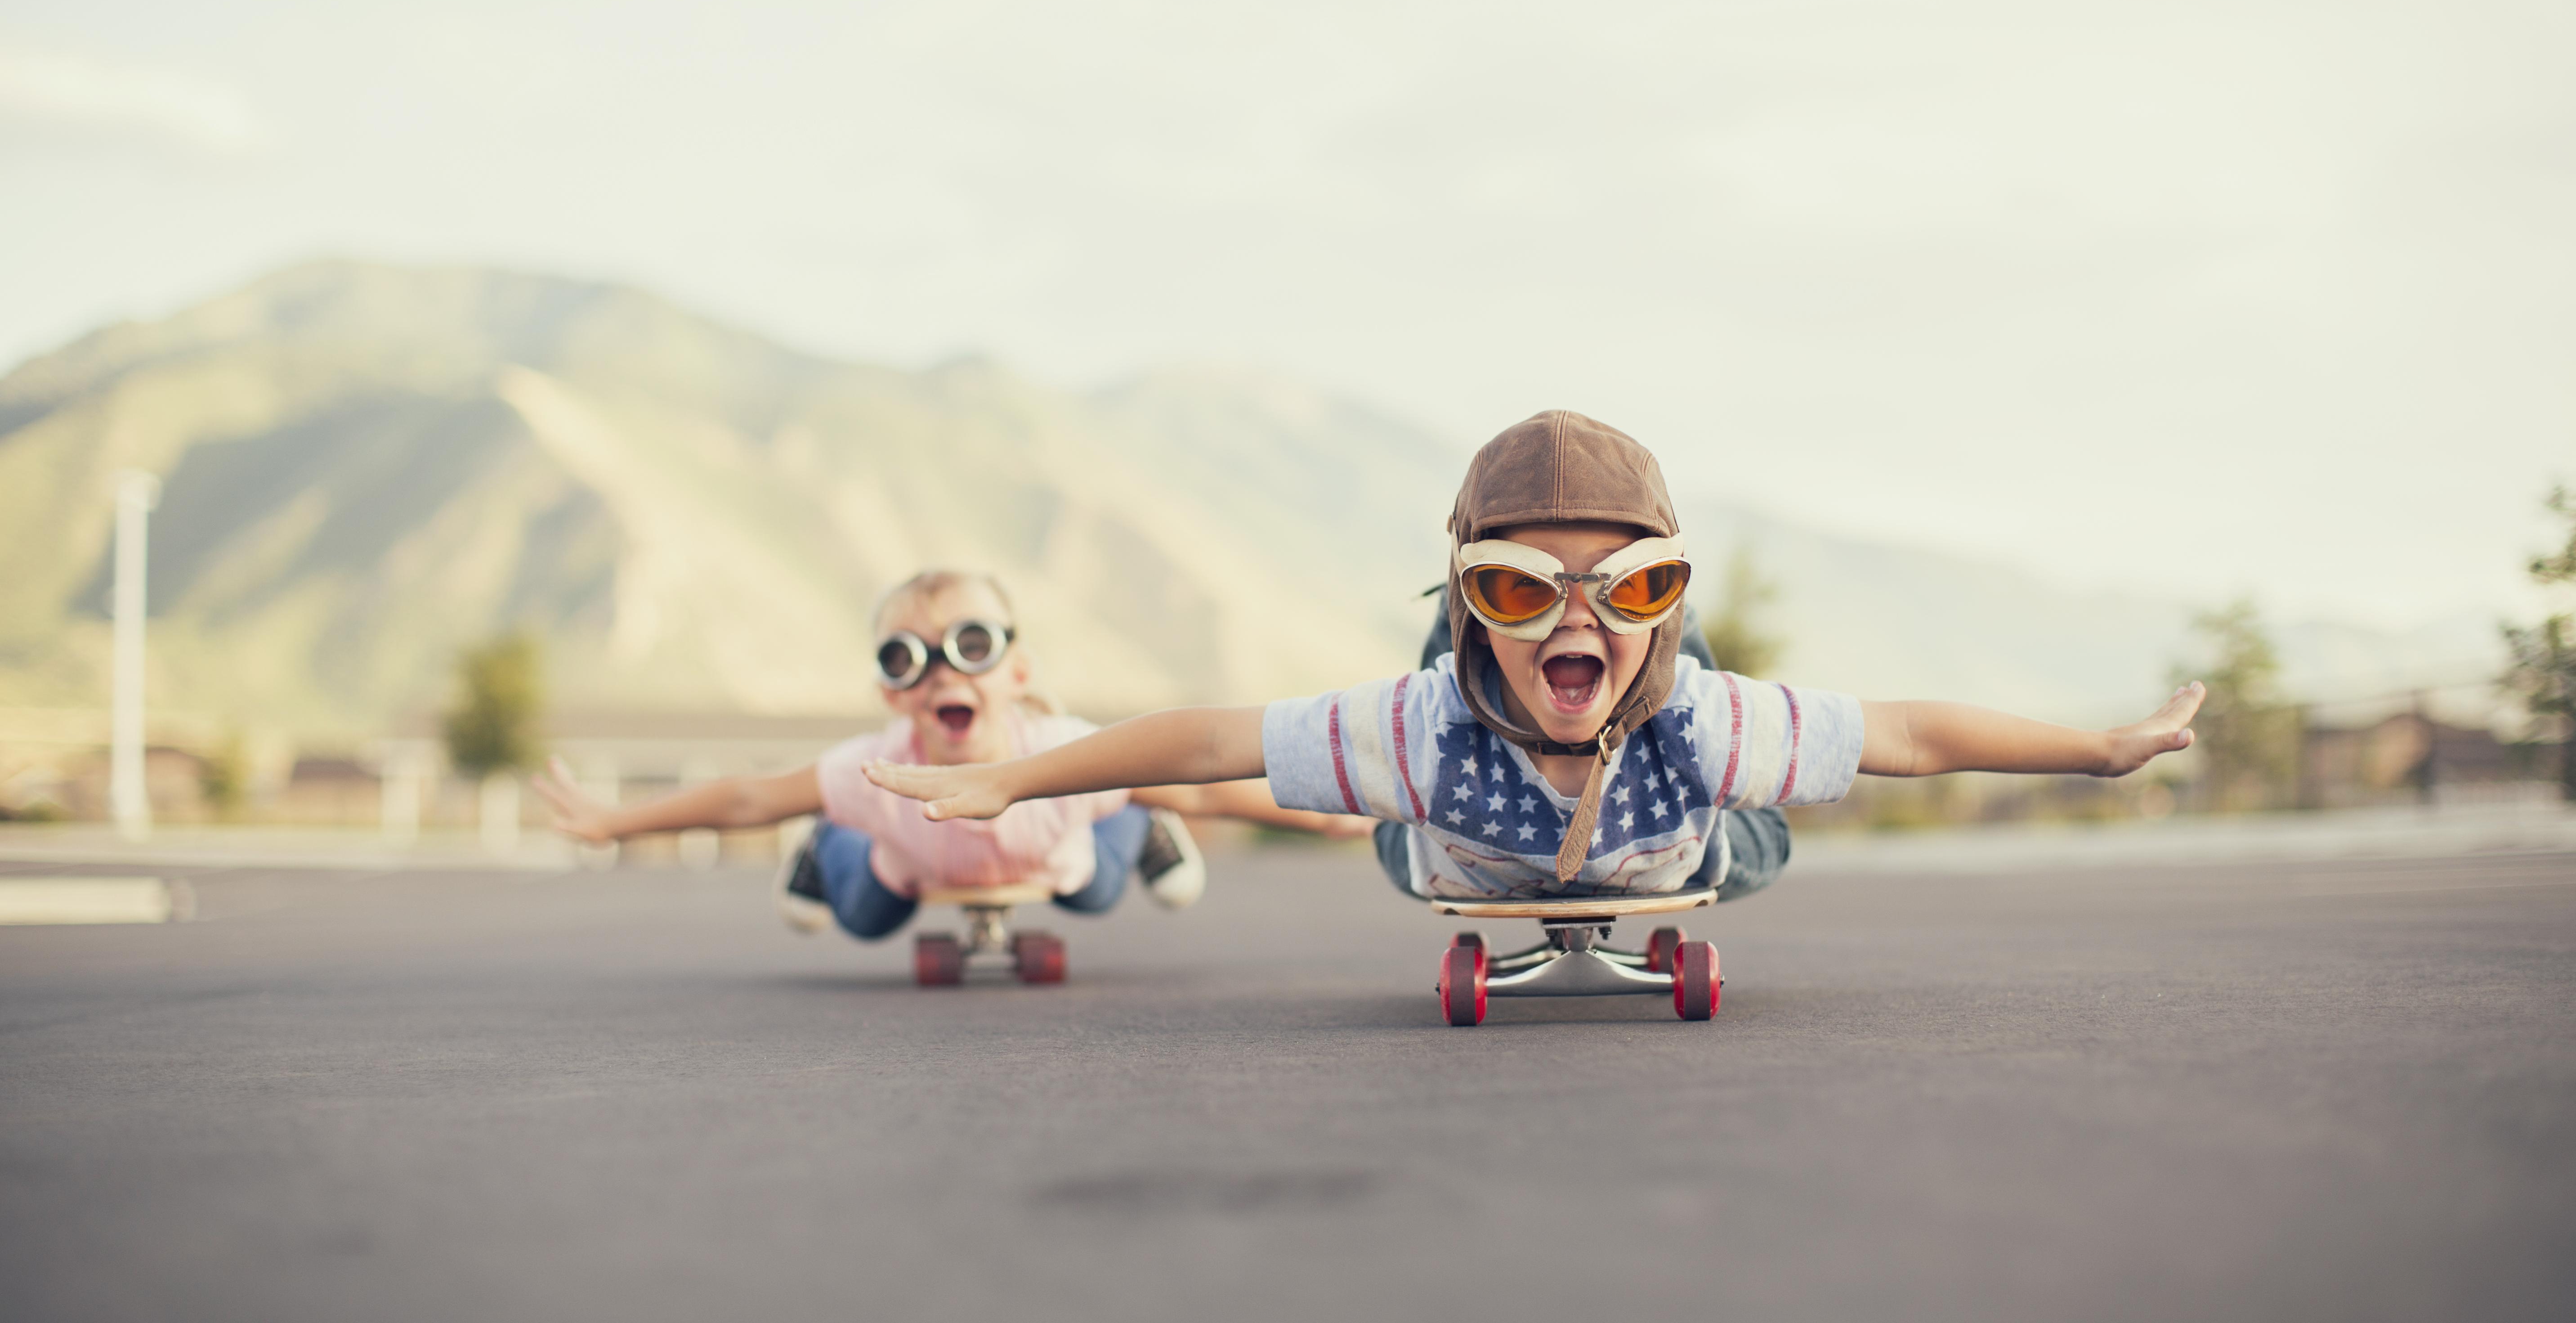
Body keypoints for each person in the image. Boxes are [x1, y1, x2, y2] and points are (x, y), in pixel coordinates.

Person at [859, 412, 2205, 906]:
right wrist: (1012, 784)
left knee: (1742, 814)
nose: (1574, 616)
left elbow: (1909, 735)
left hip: (1675, 835)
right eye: (1516, 583)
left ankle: (1625, 630)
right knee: (1410, 781)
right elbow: (1207, 739)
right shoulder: (1411, 732)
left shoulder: (1712, 732)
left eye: (1630, 584)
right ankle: (1508, 625)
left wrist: (2097, 749)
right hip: (1453, 834)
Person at [532, 568, 1364, 941]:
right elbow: (750, 801)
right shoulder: (876, 771)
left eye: (971, 645)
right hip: (910, 868)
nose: (939, 674)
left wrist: (1327, 813)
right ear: (892, 692)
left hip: (1061, 852)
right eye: (907, 658)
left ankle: (1135, 831)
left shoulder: (1063, 754)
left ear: (1018, 673)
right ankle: (826, 851)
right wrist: (617, 823)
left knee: (1100, 881)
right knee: (861, 917)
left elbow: (1206, 792)